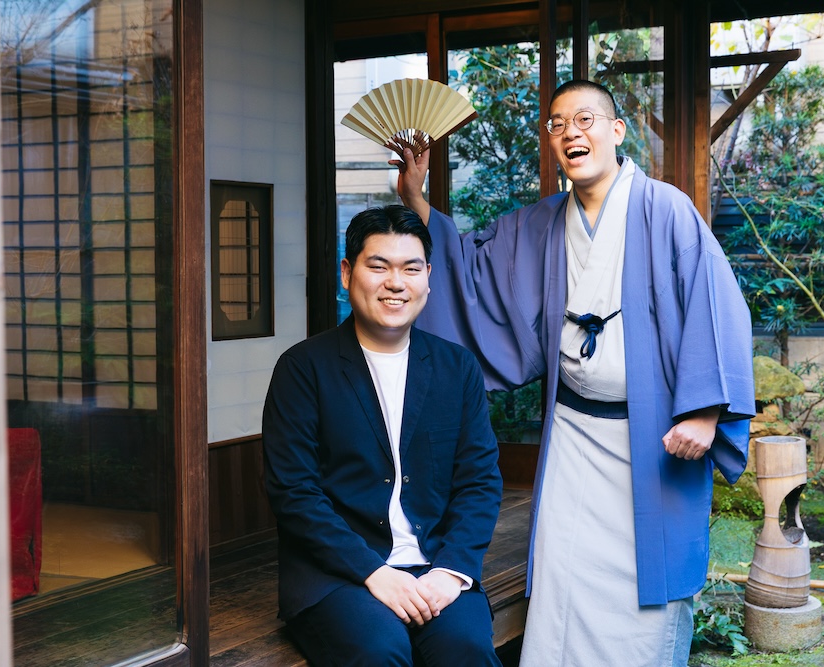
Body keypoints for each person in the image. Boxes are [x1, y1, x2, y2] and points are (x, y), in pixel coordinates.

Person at [393, 79, 755, 666]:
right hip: (572, 433)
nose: (570, 134)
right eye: (557, 125)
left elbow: (713, 305)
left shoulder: (664, 209)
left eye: (584, 120)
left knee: (646, 597)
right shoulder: (541, 223)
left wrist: (705, 411)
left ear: (616, 131)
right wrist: (416, 199)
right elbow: (468, 271)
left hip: (651, 437)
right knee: (563, 577)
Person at [261, 205, 504, 667]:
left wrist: (451, 571)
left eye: (411, 269)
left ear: (428, 278)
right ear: (347, 273)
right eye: (379, 266)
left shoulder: (457, 368)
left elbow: (479, 482)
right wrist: (373, 571)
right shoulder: (303, 369)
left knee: (467, 650)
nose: (396, 283)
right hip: (337, 573)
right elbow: (293, 492)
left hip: (434, 563)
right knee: (379, 651)